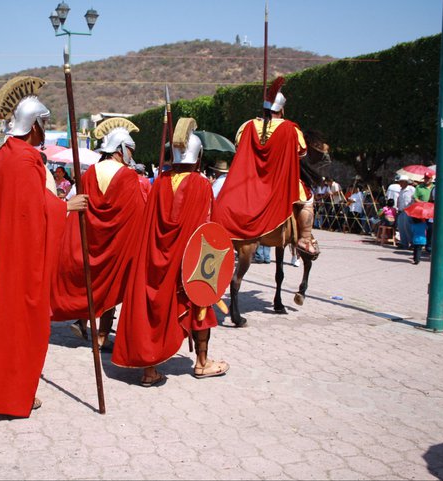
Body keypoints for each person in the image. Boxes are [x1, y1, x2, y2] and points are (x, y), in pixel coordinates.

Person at [0, 76, 88, 417]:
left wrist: (55, 205)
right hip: (19, 260)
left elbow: (25, 203)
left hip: (0, 255)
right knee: (21, 326)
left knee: (4, 323)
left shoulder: (3, 156)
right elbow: (33, 213)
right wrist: (65, 208)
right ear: (35, 126)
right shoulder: (26, 159)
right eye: (43, 124)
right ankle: (11, 396)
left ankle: (6, 389)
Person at [112, 118, 229, 386]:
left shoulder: (161, 182)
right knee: (201, 304)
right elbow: (208, 228)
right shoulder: (200, 184)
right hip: (186, 264)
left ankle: (149, 370)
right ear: (198, 156)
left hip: (156, 260)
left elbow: (150, 222)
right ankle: (201, 363)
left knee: (153, 307)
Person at [51, 118, 145, 349]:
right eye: (130, 150)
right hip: (115, 243)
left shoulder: (90, 173)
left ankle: (82, 318)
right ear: (121, 149)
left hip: (90, 238)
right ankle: (102, 335)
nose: (131, 155)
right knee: (113, 285)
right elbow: (136, 213)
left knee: (90, 282)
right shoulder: (128, 177)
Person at [213, 76, 318, 260]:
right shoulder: (291, 129)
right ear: (282, 109)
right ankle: (304, 238)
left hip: (249, 183)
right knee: (307, 197)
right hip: (277, 183)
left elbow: (239, 148)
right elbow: (301, 153)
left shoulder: (247, 126)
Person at [395, 175, 415, 249]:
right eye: (400, 182)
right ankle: (403, 243)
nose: (400, 183)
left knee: (407, 226)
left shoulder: (411, 189)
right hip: (401, 210)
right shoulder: (401, 190)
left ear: (406, 182)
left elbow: (413, 198)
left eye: (402, 182)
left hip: (409, 210)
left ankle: (412, 242)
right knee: (401, 227)